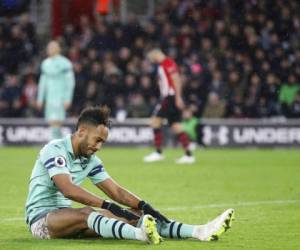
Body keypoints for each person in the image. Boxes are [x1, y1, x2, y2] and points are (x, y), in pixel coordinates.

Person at [25, 106, 234, 243]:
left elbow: (115, 190)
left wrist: (144, 206)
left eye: (103, 142)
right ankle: (140, 235)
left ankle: (199, 231)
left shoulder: (90, 159)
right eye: (97, 140)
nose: (99, 147)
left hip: (67, 217)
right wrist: (107, 205)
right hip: (42, 221)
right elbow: (68, 189)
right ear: (81, 132)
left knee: (136, 215)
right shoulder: (55, 149)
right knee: (90, 213)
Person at [143, 49, 195, 164]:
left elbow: (176, 79)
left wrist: (178, 97)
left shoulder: (167, 63)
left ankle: (158, 153)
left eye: (151, 58)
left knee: (154, 122)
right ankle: (189, 155)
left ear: (155, 54)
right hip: (170, 97)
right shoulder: (164, 64)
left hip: (169, 97)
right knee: (176, 125)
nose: (151, 61)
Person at [36, 40, 75, 140]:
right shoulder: (45, 64)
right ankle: (59, 142)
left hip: (60, 97)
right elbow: (42, 82)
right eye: (49, 47)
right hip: (50, 97)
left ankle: (56, 142)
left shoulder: (65, 63)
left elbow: (70, 82)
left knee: (57, 121)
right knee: (51, 121)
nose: (50, 49)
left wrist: (68, 98)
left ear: (59, 49)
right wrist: (40, 98)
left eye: (53, 47)